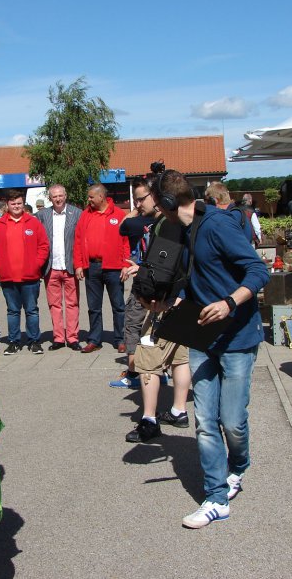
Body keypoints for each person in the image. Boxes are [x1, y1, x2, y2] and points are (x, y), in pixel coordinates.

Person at [147, 170, 269, 529]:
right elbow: (194, 280)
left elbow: (257, 271)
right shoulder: (182, 231)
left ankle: (239, 466)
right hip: (201, 339)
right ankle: (216, 497)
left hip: (237, 338)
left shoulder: (217, 226)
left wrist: (229, 302)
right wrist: (167, 302)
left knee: (232, 422)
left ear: (169, 203)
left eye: (155, 202)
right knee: (204, 424)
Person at [121, 185, 192, 442]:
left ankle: (149, 420)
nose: (138, 204)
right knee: (179, 357)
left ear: (159, 199)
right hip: (185, 298)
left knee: (148, 359)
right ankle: (179, 410)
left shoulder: (166, 224)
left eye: (142, 199)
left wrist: (142, 281)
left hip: (164, 301)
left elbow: (162, 267)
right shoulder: (187, 221)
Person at [0, 189, 49, 355]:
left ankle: (34, 341)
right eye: (13, 203)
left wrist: (37, 264)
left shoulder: (33, 223)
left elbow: (43, 245)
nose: (16, 206)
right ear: (7, 205)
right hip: (8, 277)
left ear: (23, 204)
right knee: (12, 311)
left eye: (19, 203)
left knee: (32, 310)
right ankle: (13, 341)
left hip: (30, 276)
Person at [110, 178, 159, 388]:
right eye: (135, 201)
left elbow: (121, 227)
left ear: (154, 196)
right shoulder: (169, 222)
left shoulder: (135, 222)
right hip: (160, 285)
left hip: (145, 283)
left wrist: (134, 213)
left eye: (140, 200)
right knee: (156, 329)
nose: (138, 205)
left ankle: (132, 373)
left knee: (132, 325)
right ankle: (158, 370)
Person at [74, 184, 131, 353]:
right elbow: (77, 242)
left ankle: (121, 339)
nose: (89, 200)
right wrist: (78, 264)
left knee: (118, 306)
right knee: (94, 307)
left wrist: (126, 265)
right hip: (92, 267)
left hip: (114, 268)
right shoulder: (85, 216)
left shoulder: (119, 215)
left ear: (101, 197)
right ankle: (94, 340)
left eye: (91, 197)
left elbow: (126, 243)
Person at [35, 184, 83, 351]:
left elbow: (81, 241)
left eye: (60, 195)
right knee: (54, 304)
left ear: (65, 195)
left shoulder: (76, 213)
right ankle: (58, 338)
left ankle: (72, 338)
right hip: (51, 266)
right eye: (54, 196)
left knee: (72, 304)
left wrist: (80, 264)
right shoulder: (42, 215)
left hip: (70, 266)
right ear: (50, 198)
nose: (58, 199)